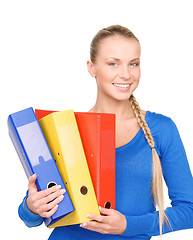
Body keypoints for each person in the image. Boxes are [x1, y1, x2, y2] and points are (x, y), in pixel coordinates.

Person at [18, 25, 193, 240]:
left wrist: (128, 225)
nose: (126, 74)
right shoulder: (66, 128)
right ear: (92, 68)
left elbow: (189, 210)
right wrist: (32, 207)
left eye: (133, 64)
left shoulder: (161, 129)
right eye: (113, 63)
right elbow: (30, 217)